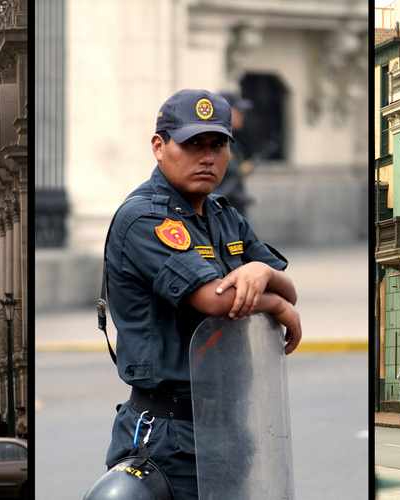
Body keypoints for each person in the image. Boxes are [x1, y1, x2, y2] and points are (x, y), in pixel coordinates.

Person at [100, 88, 302, 500]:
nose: (207, 157)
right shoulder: (145, 218)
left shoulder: (224, 215)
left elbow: (287, 285)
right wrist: (274, 303)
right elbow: (215, 301)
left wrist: (261, 271)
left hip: (231, 427)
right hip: (167, 437)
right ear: (159, 146)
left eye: (217, 144)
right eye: (192, 144)